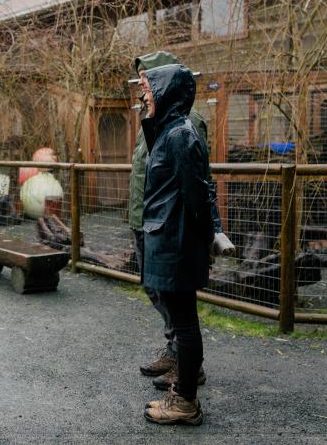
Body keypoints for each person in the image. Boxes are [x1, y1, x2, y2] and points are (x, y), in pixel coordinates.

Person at [129, 51, 232, 391]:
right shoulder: (156, 121)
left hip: (172, 231)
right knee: (156, 290)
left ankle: (185, 369)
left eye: (148, 82)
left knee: (179, 307)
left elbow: (198, 186)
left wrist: (209, 232)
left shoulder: (182, 130)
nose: (143, 91)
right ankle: (177, 355)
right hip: (149, 221)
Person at [136, 63, 212, 425]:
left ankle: (185, 401)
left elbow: (197, 193)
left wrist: (203, 238)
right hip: (169, 237)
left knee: (184, 323)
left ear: (166, 92)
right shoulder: (166, 131)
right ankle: (183, 394)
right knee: (182, 321)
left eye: (149, 89)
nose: (143, 95)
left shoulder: (181, 135)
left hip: (178, 241)